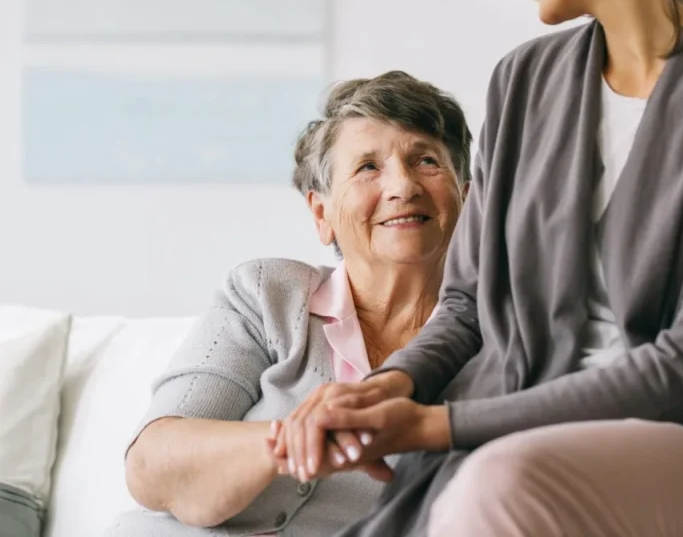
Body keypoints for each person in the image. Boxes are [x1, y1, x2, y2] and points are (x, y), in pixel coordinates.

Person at [275, 0, 683, 536]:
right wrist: (391, 386)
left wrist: (433, 426)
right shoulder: (524, 80)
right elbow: (468, 306)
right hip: (510, 422)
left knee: (499, 485)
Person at [104, 70, 472, 536]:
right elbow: (150, 466)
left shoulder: (502, 337)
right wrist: (294, 440)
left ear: (468, 199)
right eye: (367, 167)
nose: (403, 186)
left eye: (426, 161)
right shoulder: (266, 294)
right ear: (322, 213)